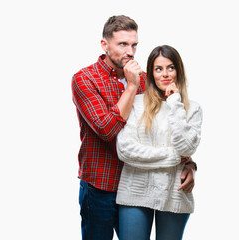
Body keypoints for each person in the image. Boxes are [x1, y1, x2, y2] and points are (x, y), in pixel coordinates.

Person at [72, 15, 197, 240]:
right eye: (122, 44)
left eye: (134, 45)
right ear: (104, 45)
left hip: (137, 186)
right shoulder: (85, 79)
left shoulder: (148, 80)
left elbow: (167, 131)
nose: (130, 51)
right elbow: (106, 130)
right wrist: (131, 86)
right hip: (101, 185)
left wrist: (189, 163)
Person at [116, 45, 203, 240]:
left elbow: (187, 147)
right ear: (151, 73)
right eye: (158, 69)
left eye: (170, 68)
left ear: (178, 71)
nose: (165, 74)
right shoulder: (136, 103)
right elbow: (125, 150)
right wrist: (175, 158)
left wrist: (174, 102)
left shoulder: (192, 109)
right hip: (135, 192)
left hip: (174, 193)